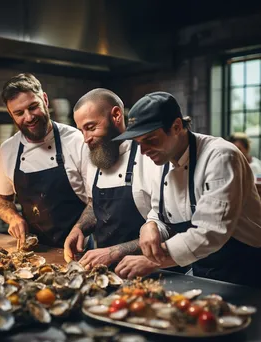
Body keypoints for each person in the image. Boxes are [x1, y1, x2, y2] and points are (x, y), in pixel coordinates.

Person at [113, 91, 261, 287]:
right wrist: (150, 225)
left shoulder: (221, 157)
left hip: (245, 271)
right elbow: (161, 212)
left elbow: (211, 232)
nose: (143, 151)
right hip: (203, 270)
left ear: (176, 127)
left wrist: (152, 260)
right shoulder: (163, 160)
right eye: (138, 143)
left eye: (150, 140)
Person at [0, 73, 88, 248]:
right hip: (34, 251)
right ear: (10, 114)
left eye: (33, 107)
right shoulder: (8, 149)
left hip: (81, 248)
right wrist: (13, 218)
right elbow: (3, 201)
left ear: (45, 99)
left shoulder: (77, 140)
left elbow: (97, 200)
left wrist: (80, 228)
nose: (29, 117)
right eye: (19, 113)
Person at [63, 88, 154, 269]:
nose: (86, 139)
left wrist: (114, 252)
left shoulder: (150, 156)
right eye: (81, 130)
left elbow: (167, 229)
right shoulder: (98, 156)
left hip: (153, 271)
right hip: (106, 270)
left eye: (91, 127)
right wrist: (79, 228)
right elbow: (93, 205)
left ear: (116, 115)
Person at [228, 132, 261, 197]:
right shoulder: (230, 165)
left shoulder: (255, 166)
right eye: (233, 149)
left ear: (247, 149)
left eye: (239, 148)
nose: (236, 151)